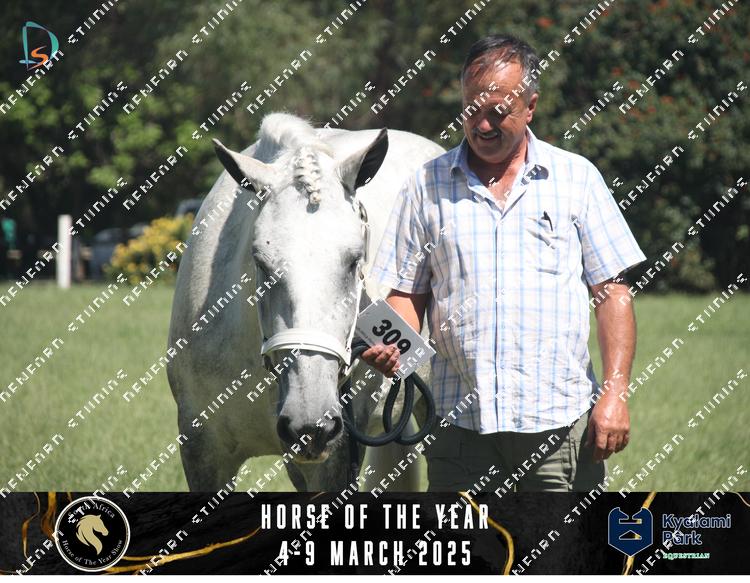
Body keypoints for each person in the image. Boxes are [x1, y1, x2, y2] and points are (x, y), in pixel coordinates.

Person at [363, 33, 647, 492]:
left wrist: (614, 393)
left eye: (498, 112)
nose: (482, 125)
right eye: (471, 110)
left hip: (558, 428)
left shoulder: (577, 179)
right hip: (459, 431)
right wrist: (392, 346)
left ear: (530, 106)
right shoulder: (425, 186)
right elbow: (407, 295)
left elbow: (612, 294)